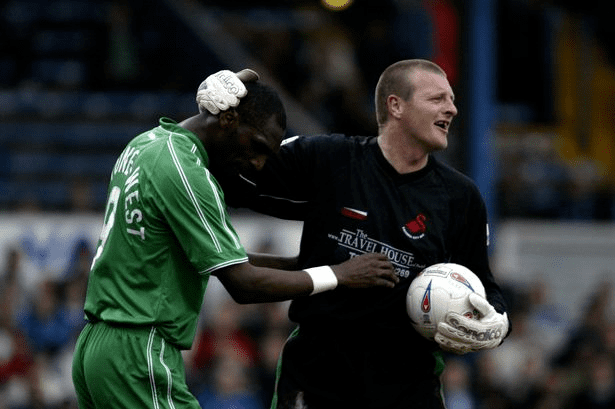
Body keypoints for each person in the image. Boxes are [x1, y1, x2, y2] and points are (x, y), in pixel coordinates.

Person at [71, 69, 399, 409]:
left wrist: (310, 263)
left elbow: (228, 260)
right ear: (228, 119)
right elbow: (242, 283)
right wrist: (339, 276)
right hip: (136, 350)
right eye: (257, 146)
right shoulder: (187, 173)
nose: (257, 163)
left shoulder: (147, 144)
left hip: (98, 345)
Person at [202, 60, 511, 409]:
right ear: (396, 106)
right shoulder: (329, 158)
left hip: (409, 386)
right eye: (437, 99)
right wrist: (217, 117)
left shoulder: (461, 197)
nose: (452, 109)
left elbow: (486, 289)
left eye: (452, 100)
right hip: (318, 379)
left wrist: (498, 322)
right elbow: (228, 174)